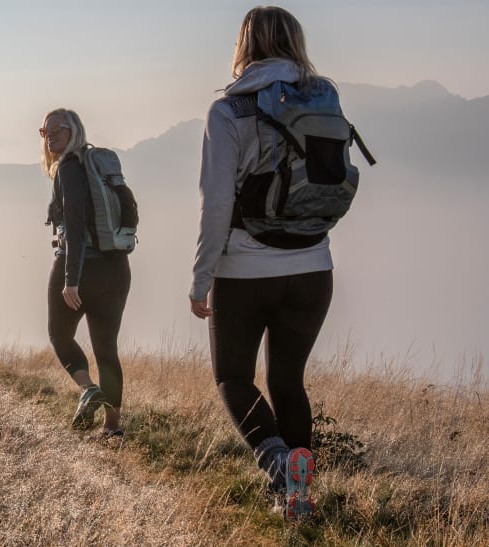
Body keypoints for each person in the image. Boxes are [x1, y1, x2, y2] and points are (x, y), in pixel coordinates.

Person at [190, 6, 334, 519]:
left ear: (243, 46)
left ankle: (277, 465)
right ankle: (299, 498)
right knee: (288, 382)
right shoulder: (323, 97)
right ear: (295, 42)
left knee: (232, 377)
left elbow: (215, 205)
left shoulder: (228, 111)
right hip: (313, 266)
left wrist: (200, 278)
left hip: (244, 271)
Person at [41, 108, 131, 440]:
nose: (50, 134)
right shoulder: (98, 166)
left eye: (57, 128)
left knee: (59, 335)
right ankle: (112, 427)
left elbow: (76, 228)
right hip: (116, 268)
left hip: (79, 267)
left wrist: (71, 279)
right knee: (106, 347)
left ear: (73, 130)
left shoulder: (68, 169)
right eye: (44, 130)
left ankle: (88, 388)